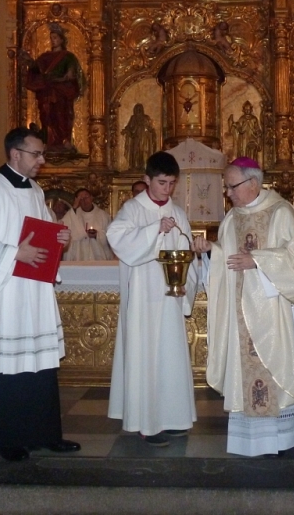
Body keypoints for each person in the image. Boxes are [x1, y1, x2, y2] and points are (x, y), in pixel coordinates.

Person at [0, 127, 80, 462]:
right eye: (36, 154)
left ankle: (44, 433)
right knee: (6, 367)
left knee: (38, 365)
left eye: (42, 154)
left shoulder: (36, 191)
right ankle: (6, 436)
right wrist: (14, 253)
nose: (42, 160)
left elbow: (40, 236)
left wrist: (58, 240)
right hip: (2, 295)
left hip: (31, 292)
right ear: (15, 154)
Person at [193, 157, 294, 457]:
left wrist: (258, 261)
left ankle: (283, 438)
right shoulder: (232, 218)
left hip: (275, 312)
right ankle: (254, 440)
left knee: (277, 368)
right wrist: (212, 250)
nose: (228, 193)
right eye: (227, 187)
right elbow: (227, 258)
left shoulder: (282, 212)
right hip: (241, 312)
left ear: (253, 182)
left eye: (232, 186)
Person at [107, 151, 198, 447]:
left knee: (169, 358)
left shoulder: (179, 212)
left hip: (169, 298)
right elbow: (118, 239)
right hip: (143, 301)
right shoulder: (133, 209)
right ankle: (146, 423)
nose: (167, 189)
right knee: (145, 358)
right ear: (147, 179)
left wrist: (186, 280)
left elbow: (186, 254)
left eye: (172, 183)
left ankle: (171, 418)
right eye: (161, 182)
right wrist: (153, 230)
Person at [22, 23, 82, 151]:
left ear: (61, 39)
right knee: (46, 115)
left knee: (61, 115)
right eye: (51, 38)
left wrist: (60, 79)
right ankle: (47, 141)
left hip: (61, 92)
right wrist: (29, 61)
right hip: (46, 92)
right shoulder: (45, 57)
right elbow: (36, 68)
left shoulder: (68, 57)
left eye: (55, 38)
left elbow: (71, 75)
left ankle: (64, 140)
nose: (53, 40)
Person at [60, 188, 114, 261]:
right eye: (81, 198)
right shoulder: (72, 214)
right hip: (78, 255)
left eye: (86, 197)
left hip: (97, 255)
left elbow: (111, 237)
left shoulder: (103, 215)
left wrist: (96, 235)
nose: (84, 200)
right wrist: (74, 207)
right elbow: (63, 227)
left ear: (91, 197)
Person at [121, 103, 157, 171]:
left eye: (140, 109)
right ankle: (134, 166)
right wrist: (126, 130)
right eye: (137, 109)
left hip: (145, 139)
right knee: (135, 152)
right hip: (136, 138)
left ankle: (144, 166)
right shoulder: (133, 118)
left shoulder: (146, 117)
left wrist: (151, 130)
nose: (138, 110)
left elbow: (151, 128)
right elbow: (129, 127)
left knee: (144, 152)